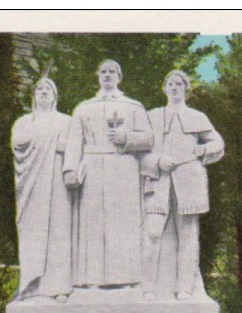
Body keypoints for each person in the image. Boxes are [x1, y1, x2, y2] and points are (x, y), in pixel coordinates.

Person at [63, 60, 153, 288]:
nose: (107, 75)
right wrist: (70, 169)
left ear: (119, 77)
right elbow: (74, 141)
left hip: (123, 168)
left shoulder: (133, 107)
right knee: (93, 223)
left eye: (112, 72)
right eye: (103, 71)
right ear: (97, 76)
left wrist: (127, 138)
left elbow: (149, 139)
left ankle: (126, 278)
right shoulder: (84, 108)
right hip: (92, 167)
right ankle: (91, 279)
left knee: (123, 222)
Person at [141, 70, 224, 300]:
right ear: (164, 87)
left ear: (186, 88)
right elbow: (139, 151)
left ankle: (184, 287)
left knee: (187, 234)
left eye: (179, 84)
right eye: (170, 83)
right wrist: (157, 161)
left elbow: (217, 142)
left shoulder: (197, 117)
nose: (174, 87)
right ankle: (148, 286)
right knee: (152, 232)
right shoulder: (152, 116)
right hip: (158, 181)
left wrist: (204, 149)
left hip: (188, 180)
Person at [11, 78, 72, 302]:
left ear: (55, 96)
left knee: (59, 231)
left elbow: (74, 149)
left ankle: (59, 287)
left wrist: (61, 145)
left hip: (58, 185)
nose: (43, 92)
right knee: (33, 230)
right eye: (40, 89)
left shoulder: (66, 122)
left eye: (48, 89)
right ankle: (31, 284)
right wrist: (46, 139)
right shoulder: (25, 122)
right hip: (33, 187)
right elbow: (18, 143)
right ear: (34, 96)